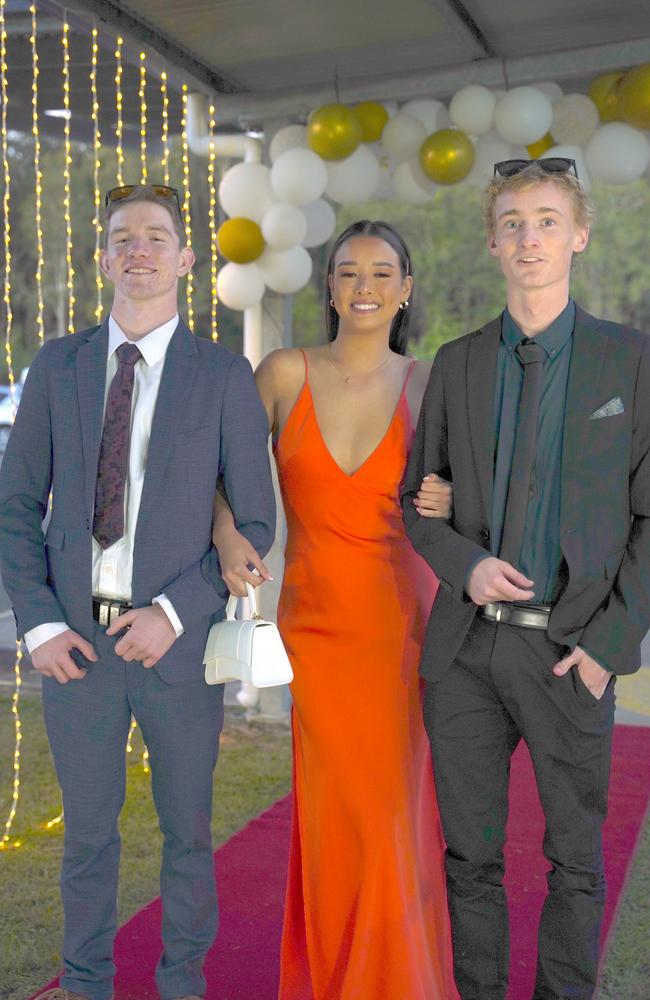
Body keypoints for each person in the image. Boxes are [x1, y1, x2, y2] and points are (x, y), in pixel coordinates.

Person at [0, 183, 275, 1000]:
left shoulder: (224, 375)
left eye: (158, 237)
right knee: (86, 838)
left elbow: (254, 524)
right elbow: (16, 506)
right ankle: (88, 986)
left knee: (186, 833)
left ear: (186, 260)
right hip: (74, 648)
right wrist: (39, 625)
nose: (140, 250)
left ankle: (180, 986)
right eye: (124, 238)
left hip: (176, 649)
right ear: (103, 258)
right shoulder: (58, 365)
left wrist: (174, 612)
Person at [402, 159, 650, 1000]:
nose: (529, 237)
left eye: (546, 220)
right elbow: (418, 503)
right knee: (470, 857)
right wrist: (464, 566)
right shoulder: (458, 362)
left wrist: (606, 650)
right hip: (467, 656)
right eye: (512, 222)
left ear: (578, 236)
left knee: (574, 860)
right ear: (492, 243)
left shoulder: (630, 362)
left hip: (568, 653)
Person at [212, 219, 458, 1000]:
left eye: (382, 273)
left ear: (406, 289)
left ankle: (396, 979)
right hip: (314, 628)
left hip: (402, 626)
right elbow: (222, 467)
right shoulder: (283, 372)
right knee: (332, 814)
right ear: (328, 287)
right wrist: (224, 531)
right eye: (348, 272)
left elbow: (470, 494)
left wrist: (450, 497)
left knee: (393, 812)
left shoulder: (429, 382)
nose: (364, 287)